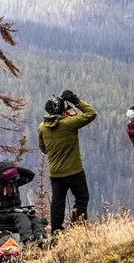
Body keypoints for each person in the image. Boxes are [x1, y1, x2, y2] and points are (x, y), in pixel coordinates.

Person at [37, 89, 97, 233]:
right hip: (74, 170)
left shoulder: (42, 127)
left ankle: (56, 230)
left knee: (58, 202)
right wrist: (75, 100)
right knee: (81, 198)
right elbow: (91, 114)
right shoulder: (69, 123)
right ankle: (78, 227)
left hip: (55, 173)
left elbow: (43, 149)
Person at [0, 161, 44, 244]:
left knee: (33, 217)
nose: (10, 180)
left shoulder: (14, 182)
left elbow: (30, 175)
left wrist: (13, 168)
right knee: (21, 217)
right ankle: (28, 241)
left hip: (14, 212)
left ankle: (40, 240)